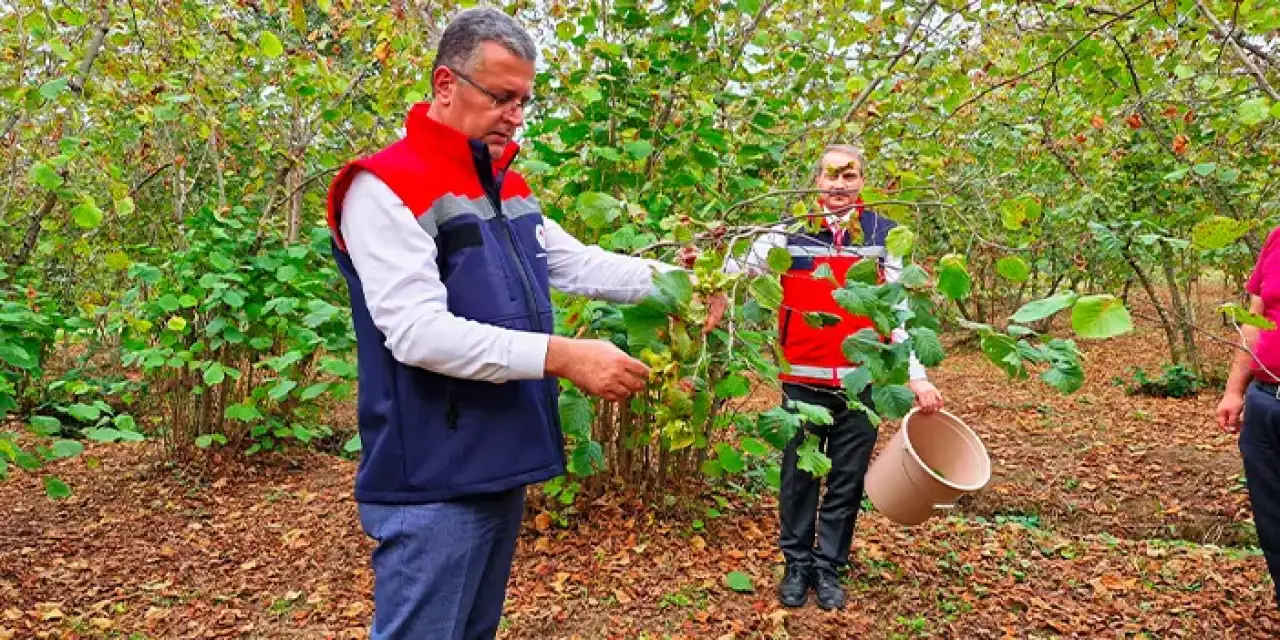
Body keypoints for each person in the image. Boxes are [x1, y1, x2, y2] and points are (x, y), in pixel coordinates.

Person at [324, 8, 724, 639]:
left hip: (496, 459)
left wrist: (681, 286)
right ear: (446, 84)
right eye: (501, 97)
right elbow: (417, 333)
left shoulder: (503, 186)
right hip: (431, 478)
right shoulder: (386, 188)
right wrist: (562, 355)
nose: (514, 115)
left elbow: (574, 261)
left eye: (523, 101)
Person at [724, 144, 944, 611]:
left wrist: (916, 377)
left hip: (864, 383)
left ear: (863, 180)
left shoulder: (886, 234)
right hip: (802, 380)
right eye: (831, 176)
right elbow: (736, 272)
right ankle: (796, 564)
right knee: (800, 476)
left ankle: (828, 569)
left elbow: (899, 310)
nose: (839, 186)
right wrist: (698, 265)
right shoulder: (788, 232)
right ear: (816, 181)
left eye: (849, 176)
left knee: (846, 480)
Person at [1216, 225, 1280, 607]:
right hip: (1265, 400)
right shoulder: (1277, 237)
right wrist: (1234, 389)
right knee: (1273, 522)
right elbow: (1255, 318)